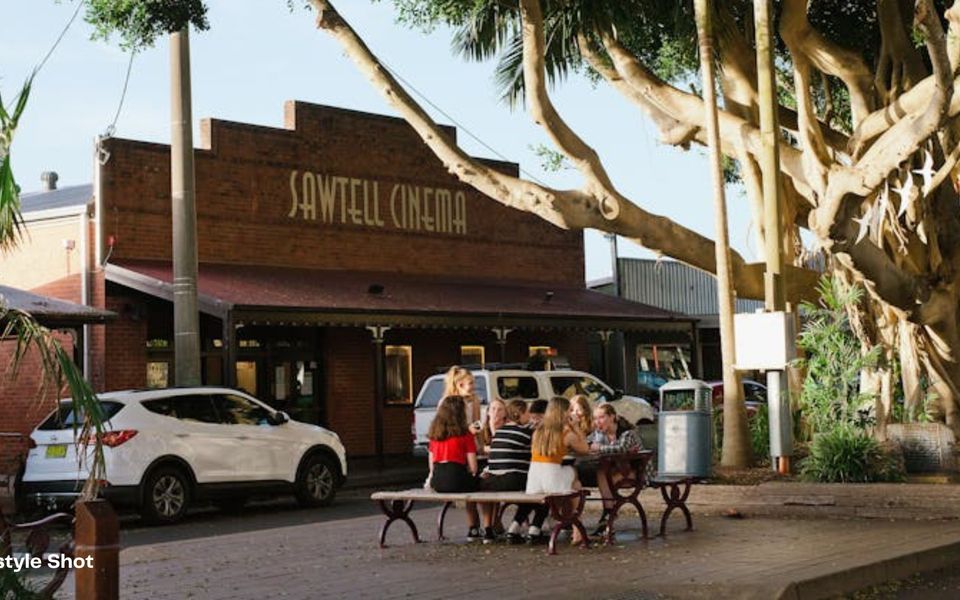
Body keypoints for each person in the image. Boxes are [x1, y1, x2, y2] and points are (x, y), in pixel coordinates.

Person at [526, 396, 590, 544]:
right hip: (552, 480)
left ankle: (569, 522)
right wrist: (576, 427)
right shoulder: (566, 433)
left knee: (570, 483)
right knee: (575, 479)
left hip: (534, 482)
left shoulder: (538, 432)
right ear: (563, 413)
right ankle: (577, 529)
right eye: (569, 410)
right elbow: (585, 449)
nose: (571, 413)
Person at [427, 395, 481, 540]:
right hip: (457, 479)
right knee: (477, 484)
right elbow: (474, 467)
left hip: (438, 482)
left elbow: (431, 466)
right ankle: (475, 527)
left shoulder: (435, 435)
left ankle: (475, 528)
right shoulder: (465, 434)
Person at [477, 400, 532, 544]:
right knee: (536, 490)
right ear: (519, 414)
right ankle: (516, 525)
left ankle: (488, 530)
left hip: (492, 481)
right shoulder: (525, 433)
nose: (530, 416)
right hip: (512, 479)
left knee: (487, 493)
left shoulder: (499, 432)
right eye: (528, 412)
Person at [588, 403, 644, 535]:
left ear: (612, 417)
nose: (598, 422)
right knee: (601, 472)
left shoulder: (627, 433)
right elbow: (587, 443)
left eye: (601, 417)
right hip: (615, 470)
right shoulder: (599, 434)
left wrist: (599, 448)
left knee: (605, 477)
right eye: (595, 418)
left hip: (635, 472)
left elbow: (621, 448)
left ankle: (609, 514)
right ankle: (608, 513)